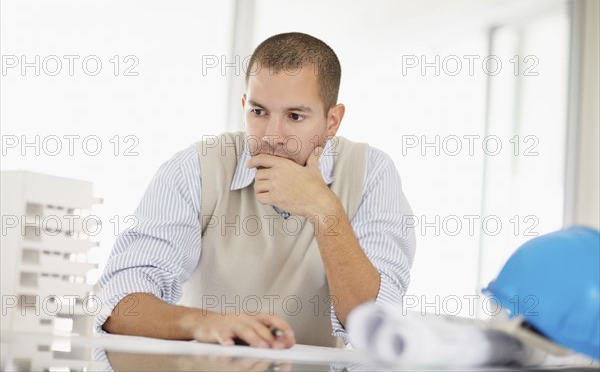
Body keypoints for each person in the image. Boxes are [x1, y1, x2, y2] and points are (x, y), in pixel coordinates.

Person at [96, 32, 416, 349]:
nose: (272, 136)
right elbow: (117, 304)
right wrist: (207, 324)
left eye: (295, 116)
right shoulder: (194, 169)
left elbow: (377, 327)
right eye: (259, 112)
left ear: (332, 121)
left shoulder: (370, 173)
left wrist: (324, 210)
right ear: (244, 104)